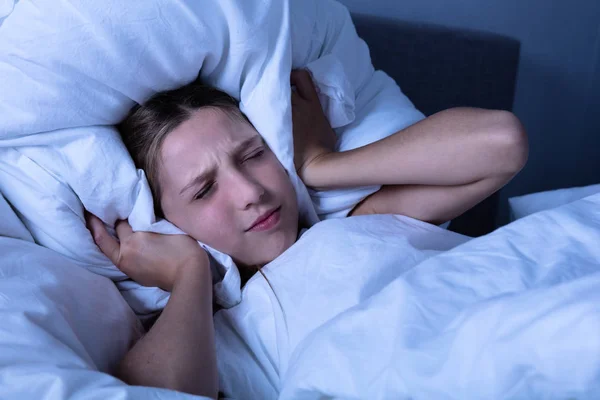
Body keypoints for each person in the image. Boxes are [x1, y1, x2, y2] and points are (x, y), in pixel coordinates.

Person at [86, 69, 528, 397]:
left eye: (254, 155)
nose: (250, 192)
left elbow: (503, 143)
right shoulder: (212, 336)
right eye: (203, 190)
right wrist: (188, 273)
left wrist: (319, 165)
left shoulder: (361, 223)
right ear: (165, 222)